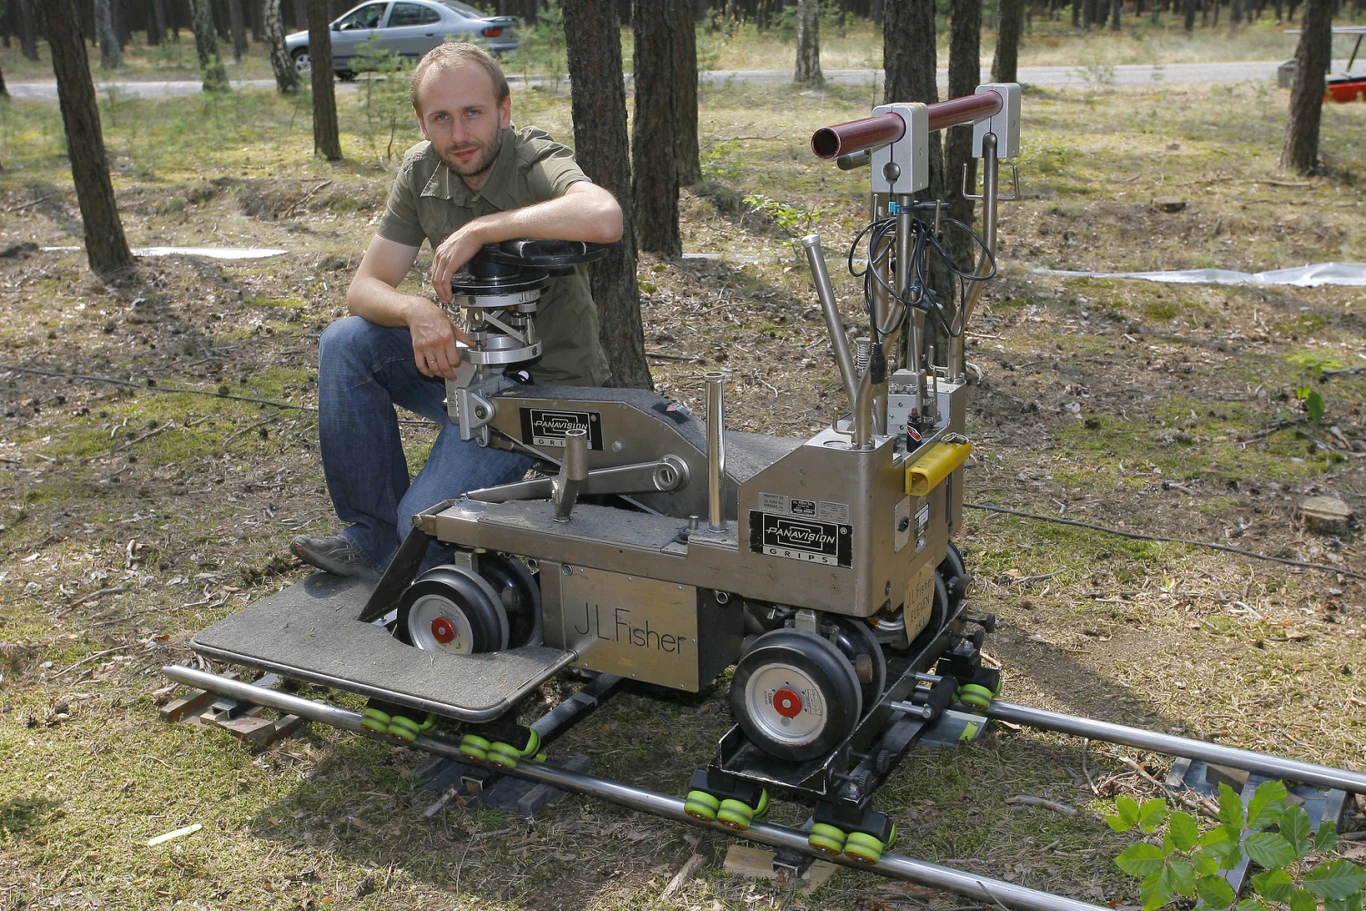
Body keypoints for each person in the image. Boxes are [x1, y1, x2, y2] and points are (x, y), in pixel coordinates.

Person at [291, 43, 621, 579]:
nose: (459, 134)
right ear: (423, 124)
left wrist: (482, 229)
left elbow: (604, 217)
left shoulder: (534, 160)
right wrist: (417, 311)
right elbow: (365, 286)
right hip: (466, 374)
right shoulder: (421, 173)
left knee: (421, 529)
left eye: (473, 113)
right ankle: (367, 536)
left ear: (504, 111)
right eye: (441, 118)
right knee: (348, 342)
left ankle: (419, 538)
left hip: (547, 397)